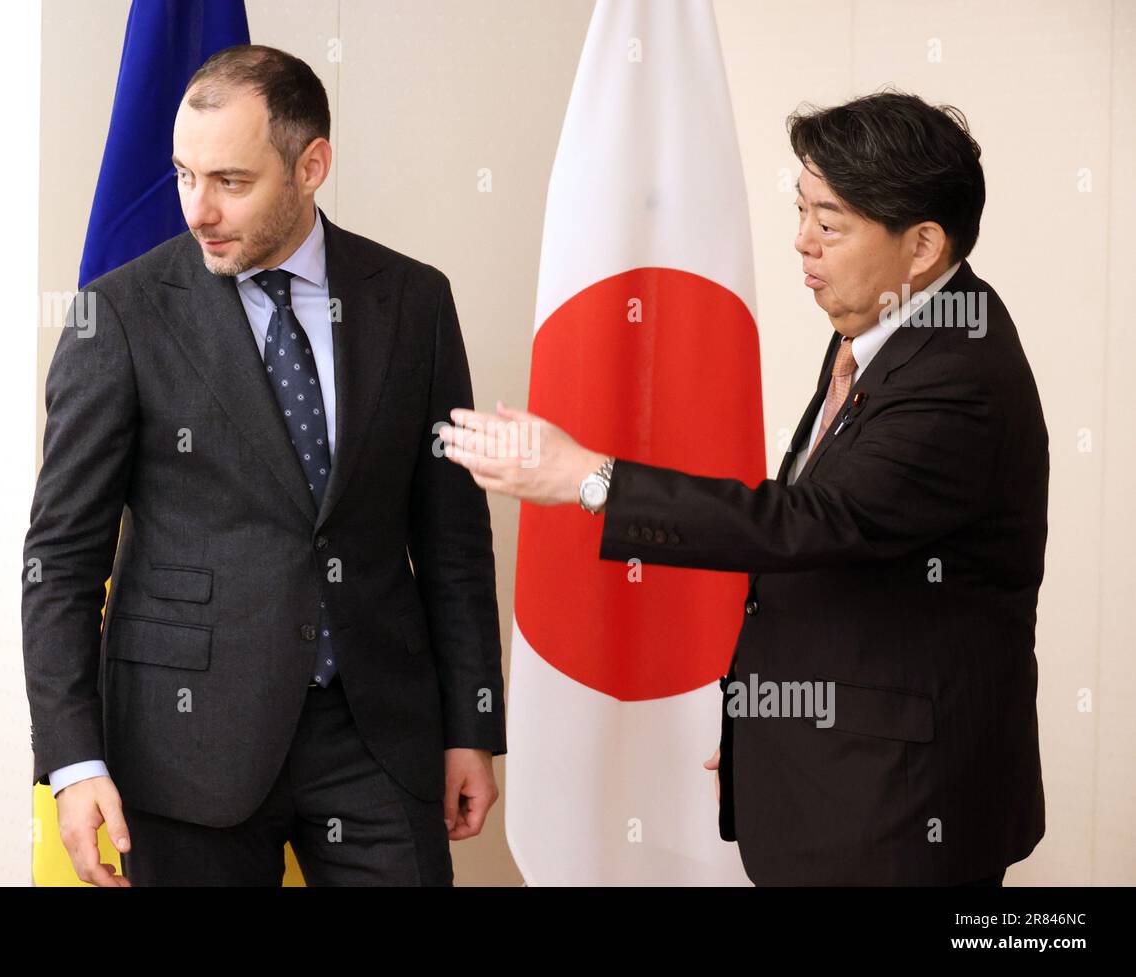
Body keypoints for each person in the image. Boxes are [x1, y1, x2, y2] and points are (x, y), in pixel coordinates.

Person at [443, 92, 1046, 886]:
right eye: (800, 210)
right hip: (835, 777)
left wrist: (587, 478)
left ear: (924, 243)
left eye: (829, 224)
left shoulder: (958, 373)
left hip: (898, 812)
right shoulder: (892, 325)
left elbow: (809, 520)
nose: (801, 242)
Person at [23, 45, 505, 886]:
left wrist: (471, 722)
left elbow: (453, 540)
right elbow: (61, 560)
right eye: (183, 175)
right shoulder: (118, 317)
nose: (198, 210)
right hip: (182, 749)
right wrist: (73, 762)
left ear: (311, 165)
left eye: (231, 182)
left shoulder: (415, 300)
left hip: (376, 737)